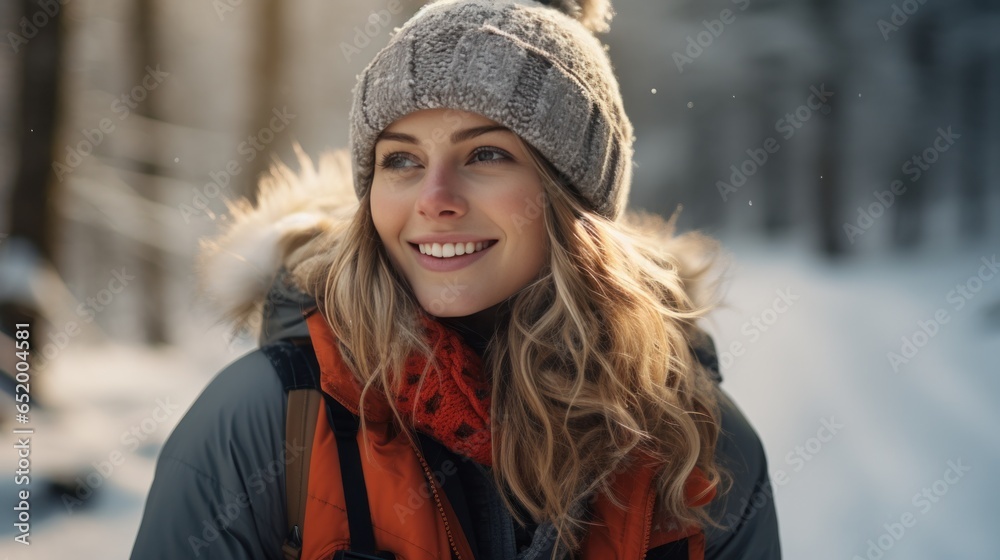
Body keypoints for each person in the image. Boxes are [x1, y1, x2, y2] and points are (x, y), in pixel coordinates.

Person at [131, 0, 781, 558]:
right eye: (403, 160)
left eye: (487, 154)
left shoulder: (700, 448)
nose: (434, 198)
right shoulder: (264, 422)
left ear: (573, 196)